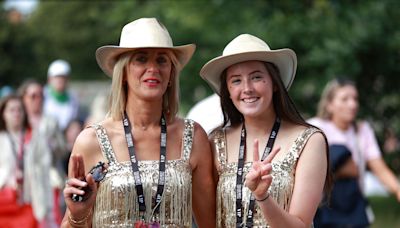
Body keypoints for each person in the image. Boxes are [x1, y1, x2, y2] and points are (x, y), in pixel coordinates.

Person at [61, 17, 216, 227]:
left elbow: (211, 223)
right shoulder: (92, 140)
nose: (152, 68)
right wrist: (78, 213)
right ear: (123, 72)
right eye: (141, 59)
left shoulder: (193, 136)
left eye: (162, 60)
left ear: (171, 73)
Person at [200, 34, 330, 227]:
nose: (247, 88)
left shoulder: (309, 140)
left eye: (257, 77)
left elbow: (301, 224)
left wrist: (262, 196)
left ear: (275, 83)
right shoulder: (215, 141)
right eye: (236, 80)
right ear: (227, 90)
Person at [308, 78, 400, 227]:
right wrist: (345, 169)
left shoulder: (362, 131)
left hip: (353, 209)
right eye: (345, 99)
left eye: (355, 99)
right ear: (329, 105)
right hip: (322, 208)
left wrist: (397, 189)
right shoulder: (315, 128)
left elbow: (379, 167)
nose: (353, 104)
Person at [18, 79, 67, 226]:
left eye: (40, 95)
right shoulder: (18, 122)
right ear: (24, 98)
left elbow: (62, 150)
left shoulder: (51, 121)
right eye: (33, 96)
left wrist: (52, 146)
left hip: (50, 179)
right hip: (25, 183)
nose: (37, 100)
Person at [0, 94, 43, 227]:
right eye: (11, 110)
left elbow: (43, 170)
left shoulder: (34, 137)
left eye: (19, 109)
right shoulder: (1, 138)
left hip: (28, 199)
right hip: (5, 200)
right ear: (3, 113)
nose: (16, 114)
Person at [44, 59, 79, 131]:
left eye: (63, 78)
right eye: (57, 77)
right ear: (49, 79)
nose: (60, 80)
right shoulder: (42, 95)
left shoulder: (73, 98)